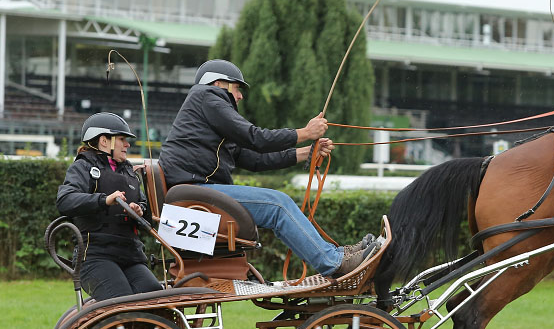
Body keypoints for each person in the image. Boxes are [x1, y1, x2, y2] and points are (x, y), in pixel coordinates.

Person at [158, 59, 376, 277]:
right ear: (218, 84)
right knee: (277, 205)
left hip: (192, 193)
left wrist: (306, 153)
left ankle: (336, 255)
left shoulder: (208, 114)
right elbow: (255, 138)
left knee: (277, 204)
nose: (241, 96)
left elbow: (254, 160)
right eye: (237, 87)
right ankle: (334, 263)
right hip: (193, 194)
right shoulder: (207, 96)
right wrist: (305, 133)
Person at [57, 112, 163, 302]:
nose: (127, 144)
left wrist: (139, 211)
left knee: (156, 299)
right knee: (123, 302)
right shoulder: (82, 167)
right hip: (95, 257)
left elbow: (146, 215)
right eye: (122, 139)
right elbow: (65, 200)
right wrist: (103, 200)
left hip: (131, 256)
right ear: (104, 141)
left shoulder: (130, 173)